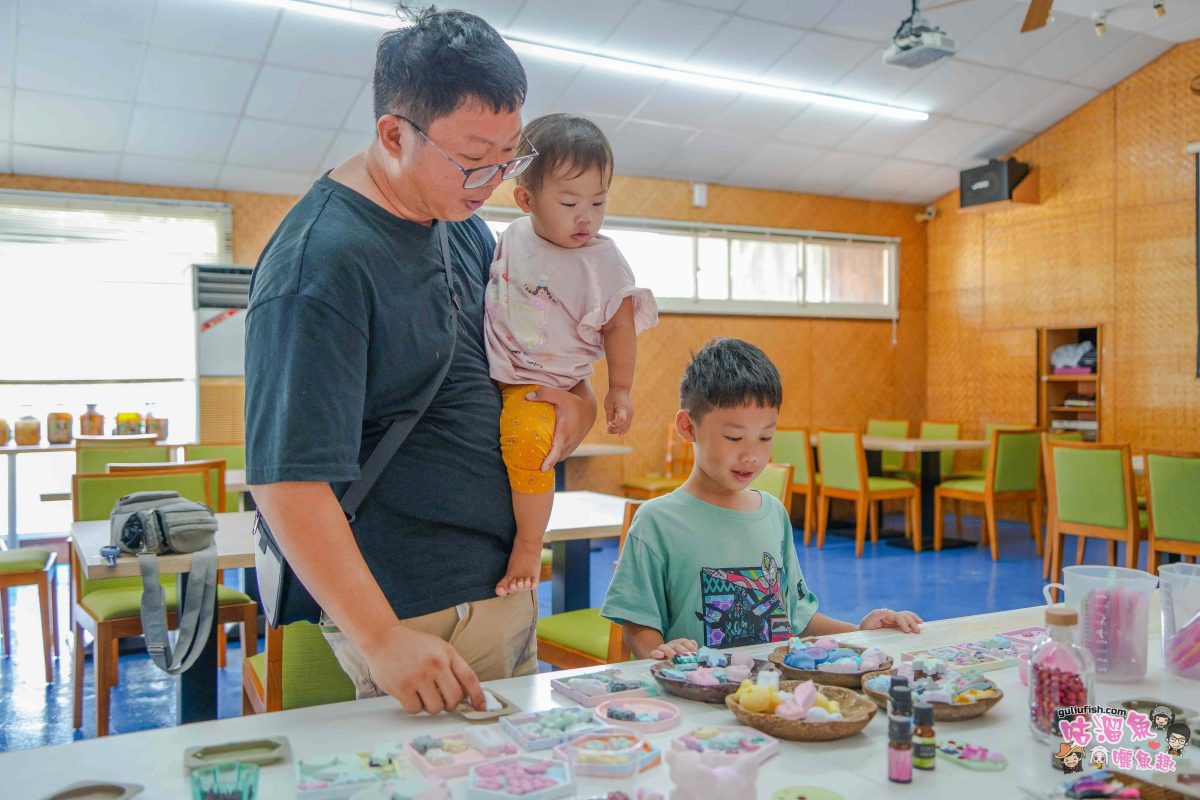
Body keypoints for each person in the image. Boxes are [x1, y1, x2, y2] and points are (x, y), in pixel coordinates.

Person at [244, 7, 597, 716]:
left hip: (500, 590)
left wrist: (578, 404)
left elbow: (529, 357)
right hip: (412, 617)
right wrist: (381, 638)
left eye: (508, 156)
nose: (491, 180)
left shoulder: (460, 224)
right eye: (473, 158)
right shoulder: (320, 266)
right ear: (393, 134)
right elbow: (286, 480)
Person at [600, 338, 922, 660]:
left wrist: (861, 632)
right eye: (734, 437)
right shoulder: (657, 521)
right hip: (695, 685)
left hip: (771, 687)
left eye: (765, 437)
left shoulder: (773, 514)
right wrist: (660, 651)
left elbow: (797, 618)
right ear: (688, 427)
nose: (751, 455)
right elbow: (637, 623)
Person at [485, 114, 657, 597]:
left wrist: (619, 389)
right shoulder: (513, 235)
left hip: (543, 384)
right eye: (569, 203)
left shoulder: (603, 260)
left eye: (598, 202)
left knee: (528, 448)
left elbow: (620, 324)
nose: (587, 217)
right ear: (526, 200)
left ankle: (528, 544)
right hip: (496, 369)